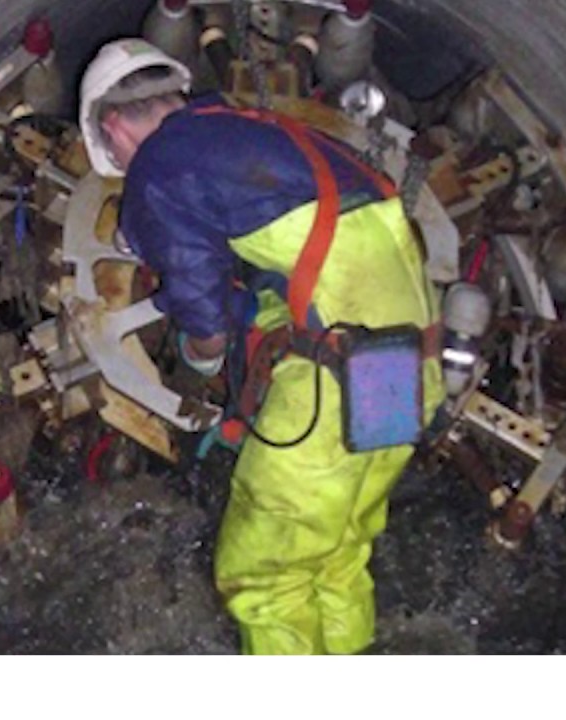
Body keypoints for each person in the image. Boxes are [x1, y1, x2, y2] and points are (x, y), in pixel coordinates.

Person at [79, 38, 445, 655]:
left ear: (112, 126)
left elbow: (201, 306)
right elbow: (293, 272)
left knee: (264, 577)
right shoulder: (259, 133)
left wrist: (200, 357)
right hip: (405, 372)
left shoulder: (162, 163)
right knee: (335, 557)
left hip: (332, 386)